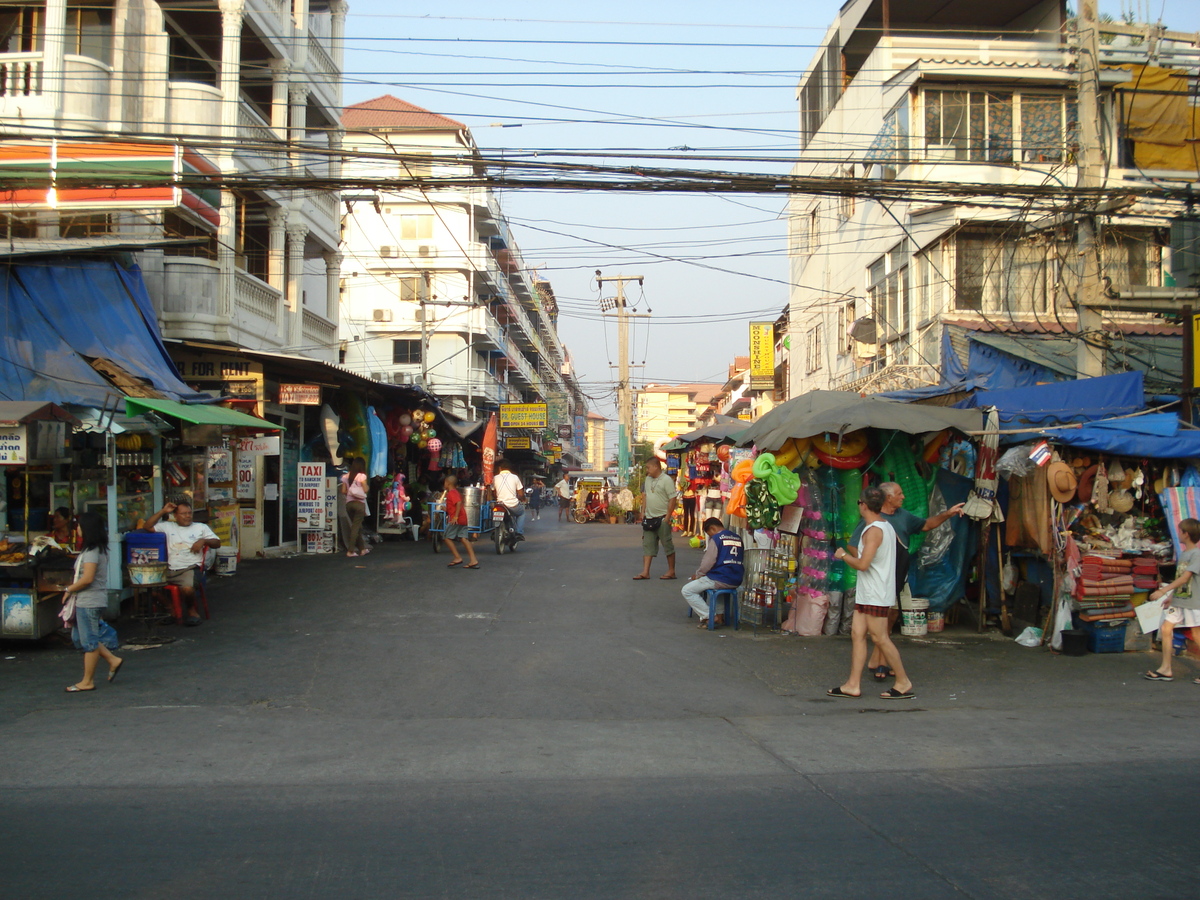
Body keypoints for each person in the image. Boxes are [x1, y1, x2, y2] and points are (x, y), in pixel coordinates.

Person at [850, 481, 965, 680]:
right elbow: (855, 547)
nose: (903, 497)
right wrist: (868, 560)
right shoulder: (873, 523)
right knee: (877, 629)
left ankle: (883, 666)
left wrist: (948, 514)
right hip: (879, 580)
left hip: (896, 576)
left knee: (886, 622)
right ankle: (881, 664)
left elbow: (927, 525)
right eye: (899, 494)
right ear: (887, 498)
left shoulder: (901, 517)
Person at [828, 487, 914, 700]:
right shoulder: (882, 526)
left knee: (880, 637)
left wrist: (844, 556)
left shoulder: (874, 530)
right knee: (857, 634)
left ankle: (903, 681)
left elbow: (863, 564)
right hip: (869, 592)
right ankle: (852, 684)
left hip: (876, 592)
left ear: (863, 505)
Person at [62, 512, 123, 692]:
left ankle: (87, 681)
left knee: (88, 642)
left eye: (80, 526)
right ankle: (113, 660)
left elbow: (87, 578)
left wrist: (69, 590)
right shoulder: (94, 550)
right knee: (80, 638)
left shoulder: (92, 552)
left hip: (89, 601)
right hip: (86, 600)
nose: (78, 529)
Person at [143, 499, 220, 626]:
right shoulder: (167, 526)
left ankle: (191, 611)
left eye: (190, 513)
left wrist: (203, 541)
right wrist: (163, 511)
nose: (188, 516)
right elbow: (147, 526)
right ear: (175, 516)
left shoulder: (200, 527)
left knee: (188, 589)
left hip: (189, 568)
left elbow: (217, 543)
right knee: (149, 587)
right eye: (184, 513)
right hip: (169, 568)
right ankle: (170, 608)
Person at [1144, 517, 1200, 682]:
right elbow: (1181, 579)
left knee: (1197, 635)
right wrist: (1171, 596)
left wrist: (1163, 591)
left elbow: (1185, 578)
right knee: (1166, 628)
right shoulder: (1185, 554)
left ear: (1186, 534)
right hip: (1180, 600)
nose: (1178, 533)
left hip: (1193, 602)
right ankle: (1166, 668)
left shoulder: (1196, 554)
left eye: (1180, 530)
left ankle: (1167, 668)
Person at [682, 517, 744, 627]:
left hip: (720, 578)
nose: (710, 536)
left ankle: (709, 616)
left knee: (687, 590)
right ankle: (719, 617)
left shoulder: (717, 538)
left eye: (709, 534)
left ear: (712, 528)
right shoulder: (737, 538)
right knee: (717, 589)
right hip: (736, 579)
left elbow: (708, 562)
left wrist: (698, 575)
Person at [634, 457, 678, 580]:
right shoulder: (648, 479)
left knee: (667, 545)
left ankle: (671, 571)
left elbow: (672, 498)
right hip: (649, 517)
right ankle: (645, 572)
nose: (647, 471)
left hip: (662, 517)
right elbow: (645, 495)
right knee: (647, 545)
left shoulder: (666, 480)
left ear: (656, 467)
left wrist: (668, 517)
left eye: (648, 467)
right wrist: (643, 512)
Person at [441, 474, 480, 570]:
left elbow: (458, 503)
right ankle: (473, 560)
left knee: (446, 537)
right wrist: (446, 509)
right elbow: (454, 505)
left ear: (448, 483)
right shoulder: (454, 492)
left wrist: (455, 517)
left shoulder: (452, 493)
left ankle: (457, 557)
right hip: (463, 518)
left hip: (457, 520)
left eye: (445, 482)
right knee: (464, 539)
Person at [341, 457, 370, 558]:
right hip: (359, 504)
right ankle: (350, 550)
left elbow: (343, 491)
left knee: (357, 526)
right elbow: (365, 489)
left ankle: (362, 549)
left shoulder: (346, 476)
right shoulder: (361, 476)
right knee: (355, 527)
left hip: (349, 504)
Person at [493, 460, 526, 540]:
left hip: (500, 504)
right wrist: (523, 499)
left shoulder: (495, 478)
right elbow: (521, 494)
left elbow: (493, 492)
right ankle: (519, 532)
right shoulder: (515, 477)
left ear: (500, 468)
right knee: (522, 513)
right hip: (513, 505)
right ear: (509, 469)